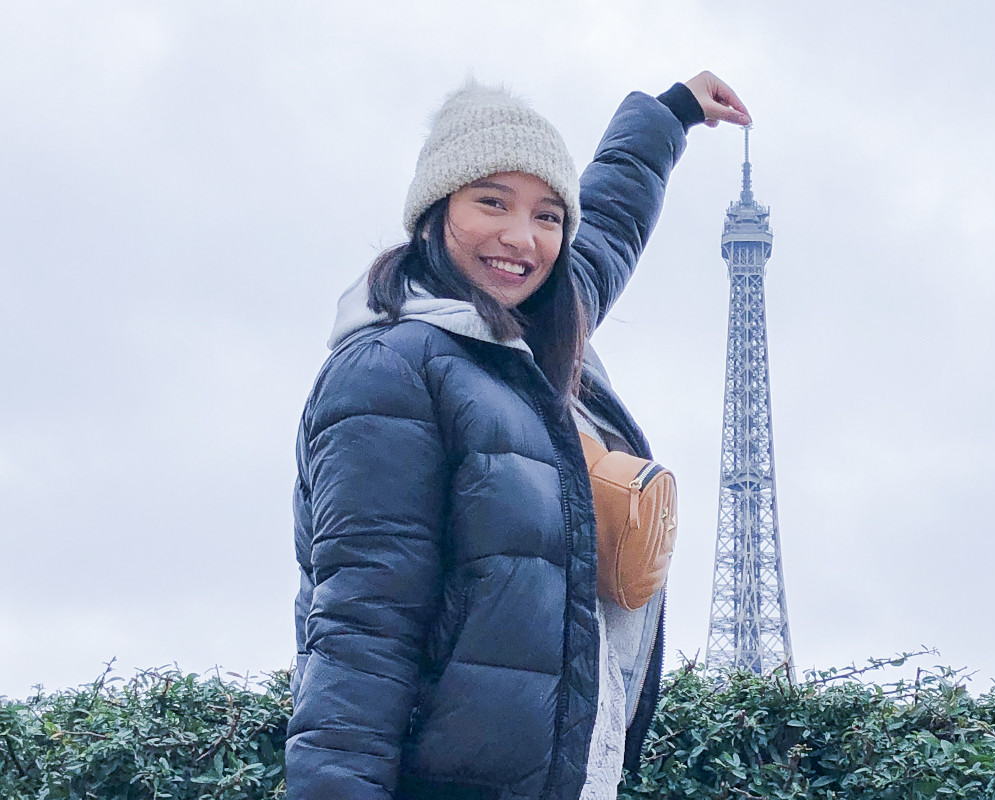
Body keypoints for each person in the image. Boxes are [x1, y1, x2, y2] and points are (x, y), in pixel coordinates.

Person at [286, 72, 750, 800]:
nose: (520, 238)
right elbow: (360, 637)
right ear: (437, 210)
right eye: (492, 203)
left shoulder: (535, 343)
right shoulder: (391, 373)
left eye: (546, 216)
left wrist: (671, 116)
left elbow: (608, 222)